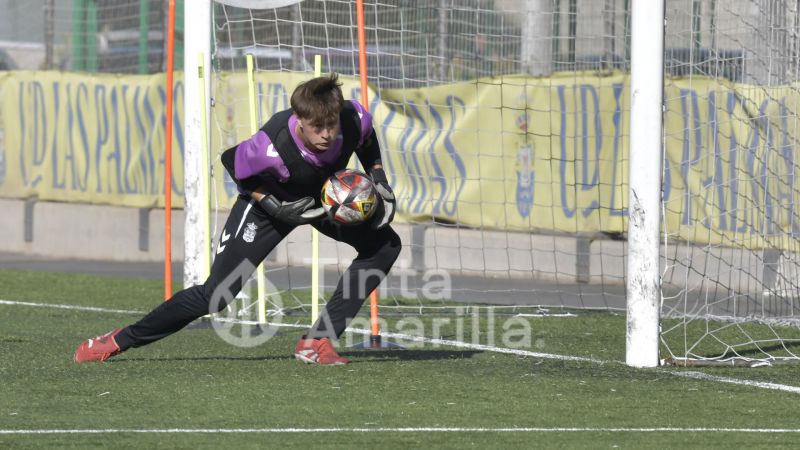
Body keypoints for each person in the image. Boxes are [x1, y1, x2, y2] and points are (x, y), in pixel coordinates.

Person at [73, 73, 400, 365]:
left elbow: (366, 140)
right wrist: (273, 205)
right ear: (299, 119)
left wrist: (379, 178)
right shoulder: (270, 145)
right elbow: (233, 163)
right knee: (217, 295)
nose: (327, 134)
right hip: (265, 208)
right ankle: (120, 339)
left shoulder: (353, 117)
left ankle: (318, 340)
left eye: (332, 125)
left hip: (321, 201)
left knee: (384, 246)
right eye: (318, 127)